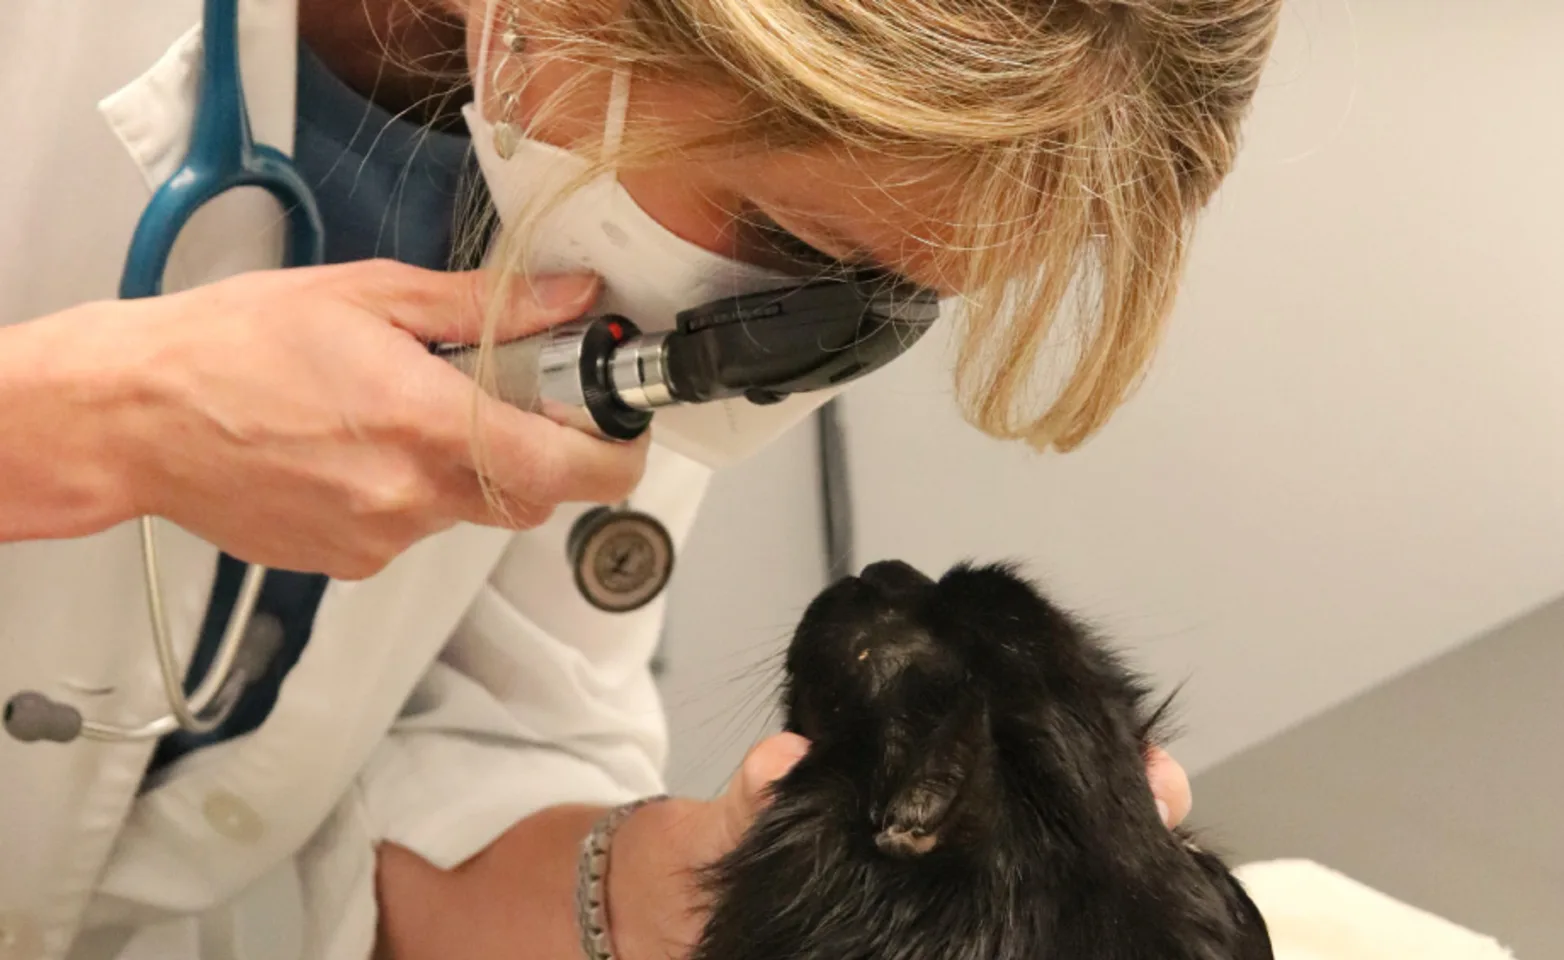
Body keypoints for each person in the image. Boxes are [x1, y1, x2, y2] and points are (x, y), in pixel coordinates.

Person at [0, 1, 1278, 959]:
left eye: (899, 298)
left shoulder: (575, 179)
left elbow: (477, 753)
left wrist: (712, 886)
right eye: (789, 243)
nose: (789, 349)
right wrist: (81, 424)